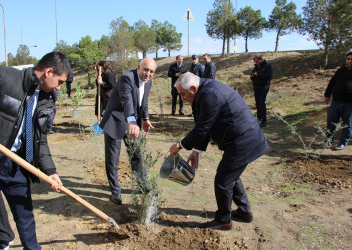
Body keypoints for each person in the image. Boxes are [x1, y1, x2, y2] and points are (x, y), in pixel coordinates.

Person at [0, 52, 71, 249]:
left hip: (17, 165)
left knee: (26, 217)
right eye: (60, 82)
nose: (60, 88)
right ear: (48, 72)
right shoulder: (5, 77)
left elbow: (40, 140)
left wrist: (51, 172)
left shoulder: (45, 99)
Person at [169, 72, 269, 230]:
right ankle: (244, 212)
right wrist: (196, 151)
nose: (182, 98)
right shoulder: (203, 92)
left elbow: (202, 129)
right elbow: (205, 125)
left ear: (193, 88)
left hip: (244, 140)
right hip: (238, 139)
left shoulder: (210, 94)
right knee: (231, 176)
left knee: (223, 180)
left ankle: (224, 219)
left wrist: (180, 145)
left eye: (183, 94)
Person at [100, 58, 157, 205]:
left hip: (132, 122)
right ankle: (115, 191)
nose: (148, 74)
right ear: (139, 67)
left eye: (151, 71)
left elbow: (143, 101)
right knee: (113, 158)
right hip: (115, 119)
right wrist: (132, 121)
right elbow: (127, 100)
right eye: (145, 70)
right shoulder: (126, 78)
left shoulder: (148, 81)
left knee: (137, 153)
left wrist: (145, 118)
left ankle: (142, 184)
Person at [324, 50, 352, 150]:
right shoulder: (340, 70)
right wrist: (327, 95)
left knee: (347, 124)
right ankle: (328, 141)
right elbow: (331, 83)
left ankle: (342, 143)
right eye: (348, 59)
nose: (350, 61)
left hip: (349, 104)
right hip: (336, 102)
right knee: (331, 122)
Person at [250, 55, 273, 128]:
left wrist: (258, 74)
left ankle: (264, 121)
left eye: (257, 61)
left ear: (261, 60)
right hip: (256, 87)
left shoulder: (267, 66)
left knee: (261, 102)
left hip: (264, 87)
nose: (256, 63)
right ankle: (259, 119)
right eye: (255, 62)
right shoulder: (256, 67)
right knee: (257, 103)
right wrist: (252, 76)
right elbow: (252, 77)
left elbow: (269, 76)